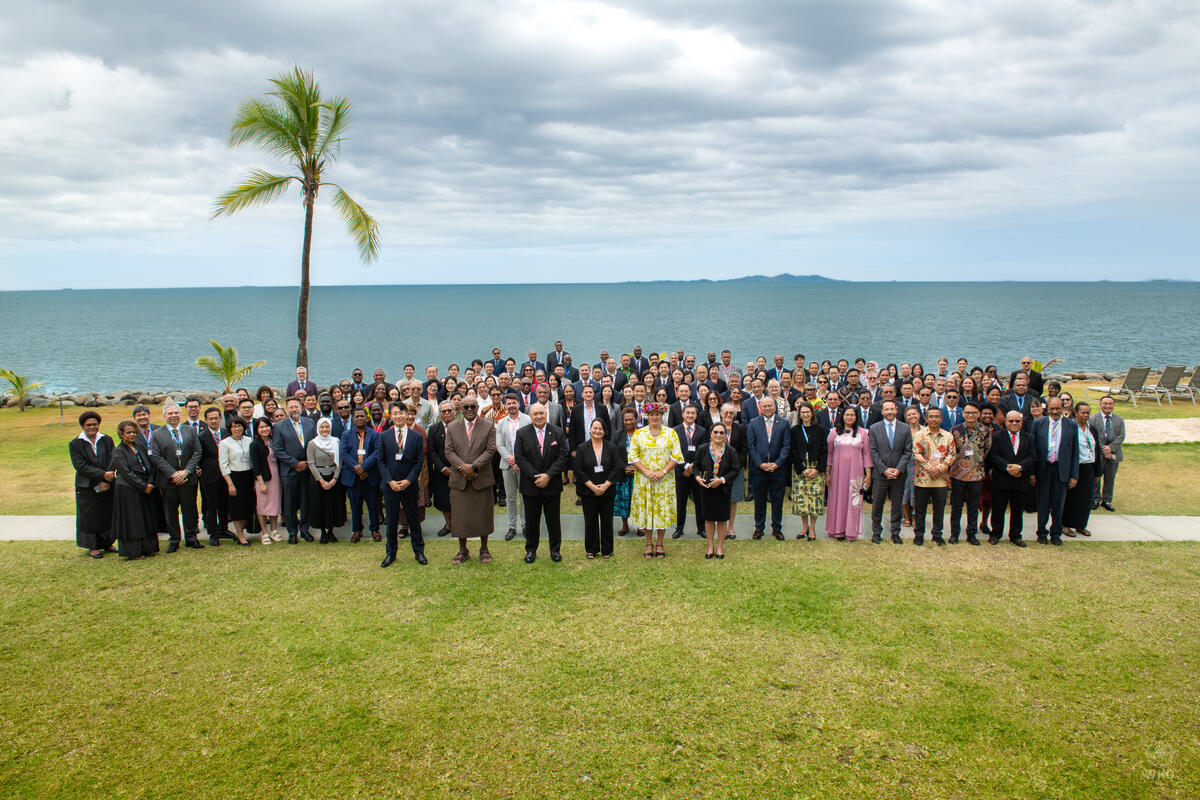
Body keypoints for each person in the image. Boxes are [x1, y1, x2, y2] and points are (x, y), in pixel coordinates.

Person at [514, 403, 570, 563]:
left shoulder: (557, 432)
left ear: (546, 413)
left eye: (541, 413)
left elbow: (562, 456)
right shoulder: (522, 433)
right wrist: (535, 477)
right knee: (532, 521)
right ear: (530, 416)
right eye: (535, 414)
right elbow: (520, 458)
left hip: (552, 484)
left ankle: (555, 550)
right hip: (530, 486)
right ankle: (531, 550)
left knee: (553, 520)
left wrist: (548, 476)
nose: (539, 416)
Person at [444, 396, 498, 564]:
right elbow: (449, 451)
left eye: (472, 407)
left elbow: (490, 450)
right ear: (460, 409)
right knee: (460, 516)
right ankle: (462, 550)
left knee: (483, 515)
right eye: (465, 407)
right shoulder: (452, 427)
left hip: (480, 477)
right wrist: (463, 467)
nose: (469, 410)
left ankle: (484, 549)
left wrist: (474, 466)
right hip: (460, 479)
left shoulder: (488, 426)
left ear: (477, 408)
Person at [628, 402, 684, 558]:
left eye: (657, 414)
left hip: (664, 480)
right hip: (644, 479)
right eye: (651, 414)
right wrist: (646, 471)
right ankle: (648, 543)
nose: (654, 417)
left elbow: (676, 456)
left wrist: (663, 471)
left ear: (662, 415)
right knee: (646, 510)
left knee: (661, 510)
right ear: (647, 416)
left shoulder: (671, 433)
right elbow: (633, 456)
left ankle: (659, 543)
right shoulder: (639, 434)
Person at [148, 402, 203, 552]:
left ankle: (191, 537)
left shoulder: (190, 431)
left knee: (190, 510)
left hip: (188, 478)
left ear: (180, 414)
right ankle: (174, 539)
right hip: (168, 480)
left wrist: (186, 471)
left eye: (176, 413)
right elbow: (157, 457)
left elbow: (197, 452)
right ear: (164, 415)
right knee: (170, 511)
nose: (173, 416)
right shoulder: (157, 434)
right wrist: (173, 474)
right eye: (170, 413)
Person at [377, 404, 427, 566]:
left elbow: (419, 461)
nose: (398, 416)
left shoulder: (416, 436)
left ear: (407, 415)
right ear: (390, 416)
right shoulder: (384, 436)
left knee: (413, 519)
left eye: (401, 413)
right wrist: (390, 481)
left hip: (409, 485)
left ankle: (419, 552)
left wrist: (408, 480)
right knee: (391, 521)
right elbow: (381, 461)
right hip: (390, 485)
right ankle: (391, 553)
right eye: (395, 413)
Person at [109, 420, 160, 560]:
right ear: (121, 434)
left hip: (144, 487)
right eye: (128, 432)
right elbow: (126, 473)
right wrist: (143, 486)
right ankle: (134, 552)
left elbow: (149, 465)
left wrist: (149, 482)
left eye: (133, 432)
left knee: (145, 519)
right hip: (128, 490)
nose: (131, 435)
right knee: (132, 521)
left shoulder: (139, 446)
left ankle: (148, 548)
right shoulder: (118, 452)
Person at [574, 418, 624, 558]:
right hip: (588, 491)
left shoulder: (611, 447)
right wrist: (592, 487)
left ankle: (607, 550)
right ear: (590, 430)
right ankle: (591, 549)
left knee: (607, 521)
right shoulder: (582, 448)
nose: (597, 431)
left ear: (604, 431)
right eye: (594, 428)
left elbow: (617, 467)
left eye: (600, 428)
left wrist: (606, 485)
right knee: (590, 520)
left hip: (607, 490)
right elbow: (578, 470)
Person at [1032, 397, 1078, 546]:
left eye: (1057, 408)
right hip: (1043, 468)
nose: (1055, 411)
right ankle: (1041, 533)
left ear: (1062, 408)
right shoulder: (1038, 423)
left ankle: (1056, 533)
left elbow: (1075, 452)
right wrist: (1032, 472)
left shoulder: (1071, 425)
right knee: (1043, 503)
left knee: (1059, 504)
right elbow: (1032, 450)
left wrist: (1074, 475)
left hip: (1061, 469)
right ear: (1047, 409)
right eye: (1052, 409)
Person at [69, 410, 116, 558]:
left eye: (95, 424)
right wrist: (102, 476)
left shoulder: (106, 440)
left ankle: (107, 543)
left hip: (108, 483)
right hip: (87, 486)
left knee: (106, 513)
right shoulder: (75, 444)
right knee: (89, 516)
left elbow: (113, 459)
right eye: (88, 425)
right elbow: (81, 466)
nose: (92, 427)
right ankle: (92, 546)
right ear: (83, 426)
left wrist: (106, 479)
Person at [272, 397, 317, 544]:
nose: (294, 410)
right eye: (291, 407)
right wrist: (295, 463)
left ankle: (305, 530)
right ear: (287, 409)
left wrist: (308, 463)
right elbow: (278, 449)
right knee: (290, 503)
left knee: (306, 502)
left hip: (307, 470)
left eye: (296, 407)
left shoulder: (310, 423)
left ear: (301, 407)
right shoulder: (279, 426)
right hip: (290, 471)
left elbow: (315, 444)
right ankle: (292, 532)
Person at [910, 406, 956, 546]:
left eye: (937, 416)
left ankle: (937, 534)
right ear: (926, 418)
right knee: (920, 509)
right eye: (931, 416)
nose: (934, 419)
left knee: (939, 509)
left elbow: (952, 454)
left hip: (941, 480)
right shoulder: (920, 435)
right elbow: (916, 453)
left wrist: (941, 468)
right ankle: (919, 535)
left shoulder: (948, 436)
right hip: (923, 479)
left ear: (941, 419)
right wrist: (930, 468)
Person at [824, 406, 872, 541]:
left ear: (856, 417)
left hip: (855, 473)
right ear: (843, 416)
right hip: (838, 472)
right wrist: (827, 472)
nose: (849, 417)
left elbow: (867, 454)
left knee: (853, 501)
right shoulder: (834, 432)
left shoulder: (863, 433)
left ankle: (851, 531)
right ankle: (837, 530)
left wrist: (868, 474)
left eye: (852, 415)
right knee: (838, 499)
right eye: (847, 415)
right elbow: (829, 454)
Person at [746, 396, 791, 540]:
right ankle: (759, 528)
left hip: (778, 470)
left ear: (775, 407)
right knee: (759, 500)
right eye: (764, 406)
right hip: (759, 469)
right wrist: (760, 464)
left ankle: (777, 528)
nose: (767, 408)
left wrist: (777, 463)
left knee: (777, 501)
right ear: (761, 408)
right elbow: (751, 446)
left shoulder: (783, 423)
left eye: (770, 406)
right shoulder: (753, 423)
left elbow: (786, 446)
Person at [988, 410, 1034, 546]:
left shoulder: (1029, 437)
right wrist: (1008, 468)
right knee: (998, 509)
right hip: (1001, 479)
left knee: (1017, 510)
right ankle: (995, 534)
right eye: (1011, 421)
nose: (1014, 423)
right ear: (1006, 422)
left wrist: (1020, 468)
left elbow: (1032, 457)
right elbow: (993, 456)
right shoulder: (997, 436)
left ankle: (1015, 535)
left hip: (1020, 479)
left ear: (1021, 422)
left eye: (1017, 421)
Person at [947, 402, 991, 545]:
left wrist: (975, 463)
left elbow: (987, 450)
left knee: (973, 507)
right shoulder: (955, 430)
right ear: (963, 414)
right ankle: (954, 534)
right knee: (957, 506)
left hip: (976, 475)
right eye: (967, 413)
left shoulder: (985, 431)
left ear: (979, 414)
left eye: (973, 413)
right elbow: (950, 450)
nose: (970, 416)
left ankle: (971, 534)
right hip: (958, 474)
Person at [694, 421, 740, 558]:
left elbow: (735, 469)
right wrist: (697, 477)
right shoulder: (702, 449)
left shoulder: (731, 451)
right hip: (706, 489)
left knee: (721, 519)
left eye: (721, 432)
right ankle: (710, 546)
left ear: (726, 435)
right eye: (715, 432)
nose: (718, 435)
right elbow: (695, 465)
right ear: (710, 434)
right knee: (708, 519)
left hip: (723, 490)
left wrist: (722, 480)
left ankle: (719, 546)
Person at [868, 399, 911, 544]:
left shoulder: (905, 428)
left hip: (899, 475)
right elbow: (873, 452)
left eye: (892, 409)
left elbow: (907, 452)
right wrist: (884, 470)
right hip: (881, 474)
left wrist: (898, 469)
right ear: (882, 411)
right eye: (886, 409)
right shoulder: (874, 428)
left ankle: (895, 533)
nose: (889, 412)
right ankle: (876, 532)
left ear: (896, 410)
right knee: (877, 505)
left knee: (897, 505)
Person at [339, 407, 380, 543]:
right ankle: (357, 530)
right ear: (353, 418)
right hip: (353, 477)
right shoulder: (346, 434)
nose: (360, 418)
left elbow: (377, 452)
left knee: (373, 505)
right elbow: (343, 453)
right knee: (355, 506)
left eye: (362, 416)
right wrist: (356, 468)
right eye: (357, 416)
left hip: (370, 475)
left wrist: (363, 466)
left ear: (367, 418)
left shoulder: (374, 434)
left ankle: (374, 529)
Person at [788, 402, 827, 541]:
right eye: (802, 412)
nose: (805, 415)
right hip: (801, 469)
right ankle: (804, 527)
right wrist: (802, 469)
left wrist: (817, 469)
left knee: (814, 500)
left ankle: (812, 528)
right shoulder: (795, 430)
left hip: (816, 469)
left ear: (812, 413)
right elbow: (792, 451)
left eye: (807, 412)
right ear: (799, 415)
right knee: (802, 500)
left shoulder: (821, 429)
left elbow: (824, 450)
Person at [495, 394, 530, 541]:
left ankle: (525, 526)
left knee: (524, 497)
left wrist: (519, 460)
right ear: (506, 405)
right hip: (507, 465)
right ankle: (512, 527)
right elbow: (499, 444)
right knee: (510, 498)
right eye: (508, 404)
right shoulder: (501, 422)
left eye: (514, 403)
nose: (512, 406)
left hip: (524, 465)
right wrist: (510, 459)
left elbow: (530, 442)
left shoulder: (527, 420)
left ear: (518, 404)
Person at [195, 406, 231, 546]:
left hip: (226, 475)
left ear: (220, 419)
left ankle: (223, 529)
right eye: (211, 419)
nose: (214, 421)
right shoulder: (201, 437)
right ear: (206, 420)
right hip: (210, 476)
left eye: (216, 418)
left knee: (225, 503)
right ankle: (213, 533)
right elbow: (198, 456)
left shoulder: (226, 433)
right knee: (211, 505)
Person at [1062, 401, 1098, 537]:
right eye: (1083, 412)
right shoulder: (1070, 427)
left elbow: (1096, 448)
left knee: (1085, 498)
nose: (1086, 415)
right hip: (1075, 466)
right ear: (1076, 413)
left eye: (1088, 413)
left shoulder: (1091, 428)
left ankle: (1081, 524)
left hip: (1088, 466)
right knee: (1071, 497)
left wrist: (1097, 470)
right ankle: (1064, 524)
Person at [216, 417, 254, 545]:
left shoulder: (249, 440)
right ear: (230, 429)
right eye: (234, 427)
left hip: (248, 476)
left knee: (248, 506)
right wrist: (230, 484)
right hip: (234, 478)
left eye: (239, 426)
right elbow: (223, 465)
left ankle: (242, 530)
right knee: (237, 508)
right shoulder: (225, 443)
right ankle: (240, 535)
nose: (237, 429)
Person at [672, 405, 708, 539]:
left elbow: (704, 450)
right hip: (680, 472)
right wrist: (685, 466)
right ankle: (679, 528)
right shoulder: (675, 431)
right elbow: (674, 452)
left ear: (696, 415)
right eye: (688, 413)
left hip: (697, 472)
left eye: (693, 413)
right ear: (683, 414)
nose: (690, 415)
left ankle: (701, 528)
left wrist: (693, 467)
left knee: (700, 501)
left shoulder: (702, 431)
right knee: (681, 502)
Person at [249, 417, 283, 545]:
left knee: (274, 504)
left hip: (276, 477)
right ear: (257, 430)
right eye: (261, 427)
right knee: (262, 506)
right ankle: (264, 532)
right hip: (263, 479)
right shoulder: (255, 444)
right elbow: (255, 465)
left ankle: (273, 530)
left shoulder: (273, 441)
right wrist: (261, 483)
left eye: (266, 426)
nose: (265, 429)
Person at [1088, 396, 1124, 511]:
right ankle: (1095, 499)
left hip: (1114, 453)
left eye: (1110, 404)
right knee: (1096, 477)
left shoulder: (1119, 420)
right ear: (1100, 404)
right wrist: (1104, 449)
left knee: (1110, 478)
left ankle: (1107, 500)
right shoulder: (1093, 419)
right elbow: (1093, 436)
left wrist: (1111, 448)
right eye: (1105, 403)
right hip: (1098, 454)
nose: (1108, 406)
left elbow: (1121, 436)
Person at [426, 401, 455, 537]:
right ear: (440, 413)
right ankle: (448, 524)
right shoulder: (433, 429)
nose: (447, 413)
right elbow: (432, 451)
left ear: (454, 412)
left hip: (458, 470)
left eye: (449, 410)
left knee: (459, 499)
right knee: (443, 499)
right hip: (441, 471)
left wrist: (457, 467)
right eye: (444, 411)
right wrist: (442, 468)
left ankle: (459, 524)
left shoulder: (461, 427)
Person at [613, 407, 638, 535]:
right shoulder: (617, 435)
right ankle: (625, 526)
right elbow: (614, 454)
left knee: (638, 500)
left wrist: (637, 468)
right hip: (623, 473)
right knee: (623, 499)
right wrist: (624, 467)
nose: (628, 422)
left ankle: (640, 526)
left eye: (631, 420)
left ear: (636, 420)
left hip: (639, 473)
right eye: (626, 420)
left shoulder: (642, 434)